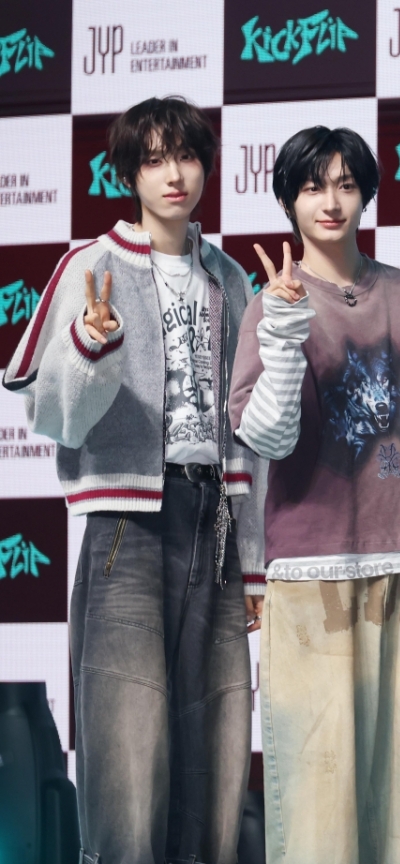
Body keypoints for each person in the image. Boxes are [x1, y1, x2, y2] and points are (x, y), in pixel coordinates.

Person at [3, 97, 262, 864]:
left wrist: (254, 562)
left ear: (206, 167)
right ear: (129, 175)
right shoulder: (91, 266)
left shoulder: (230, 278)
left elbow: (251, 436)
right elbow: (51, 414)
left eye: (185, 157)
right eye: (153, 160)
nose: (173, 174)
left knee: (215, 753)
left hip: (216, 522)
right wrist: (91, 346)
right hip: (127, 524)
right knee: (126, 752)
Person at [228, 126, 400, 863]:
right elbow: (266, 437)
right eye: (313, 186)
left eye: (346, 184)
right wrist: (284, 331)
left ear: (367, 194)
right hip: (308, 573)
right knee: (318, 803)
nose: (331, 201)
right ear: (288, 200)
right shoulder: (272, 306)